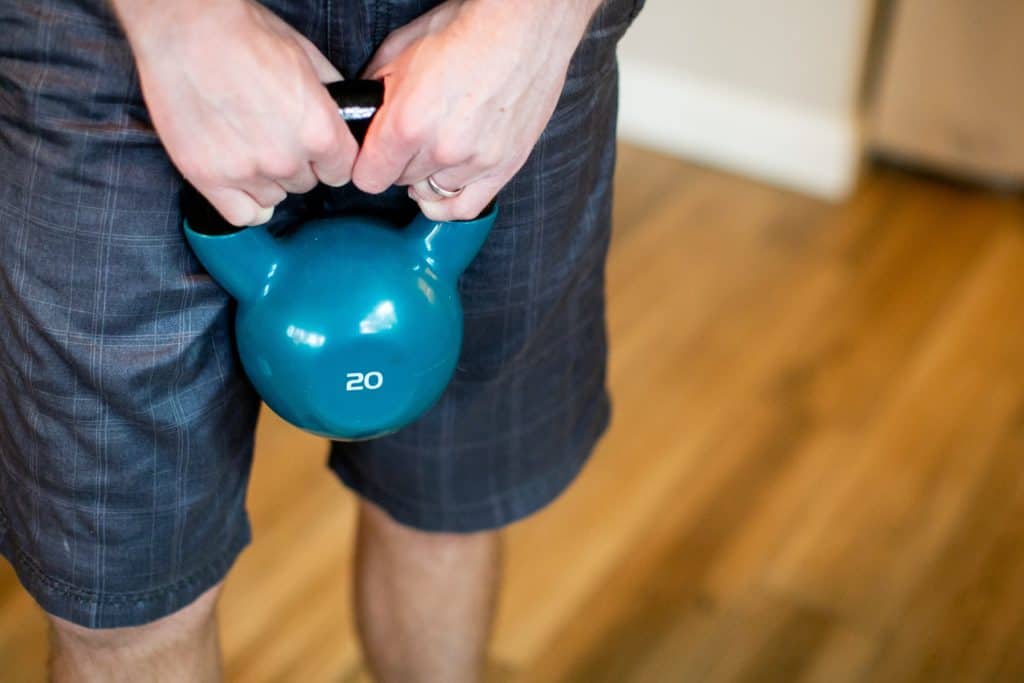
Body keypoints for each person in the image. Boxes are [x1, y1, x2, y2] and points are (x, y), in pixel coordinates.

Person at [0, 0, 643, 679]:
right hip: (109, 35)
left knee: (448, 502)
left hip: (494, 40)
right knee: (124, 595)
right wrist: (177, 22)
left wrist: (532, 25)